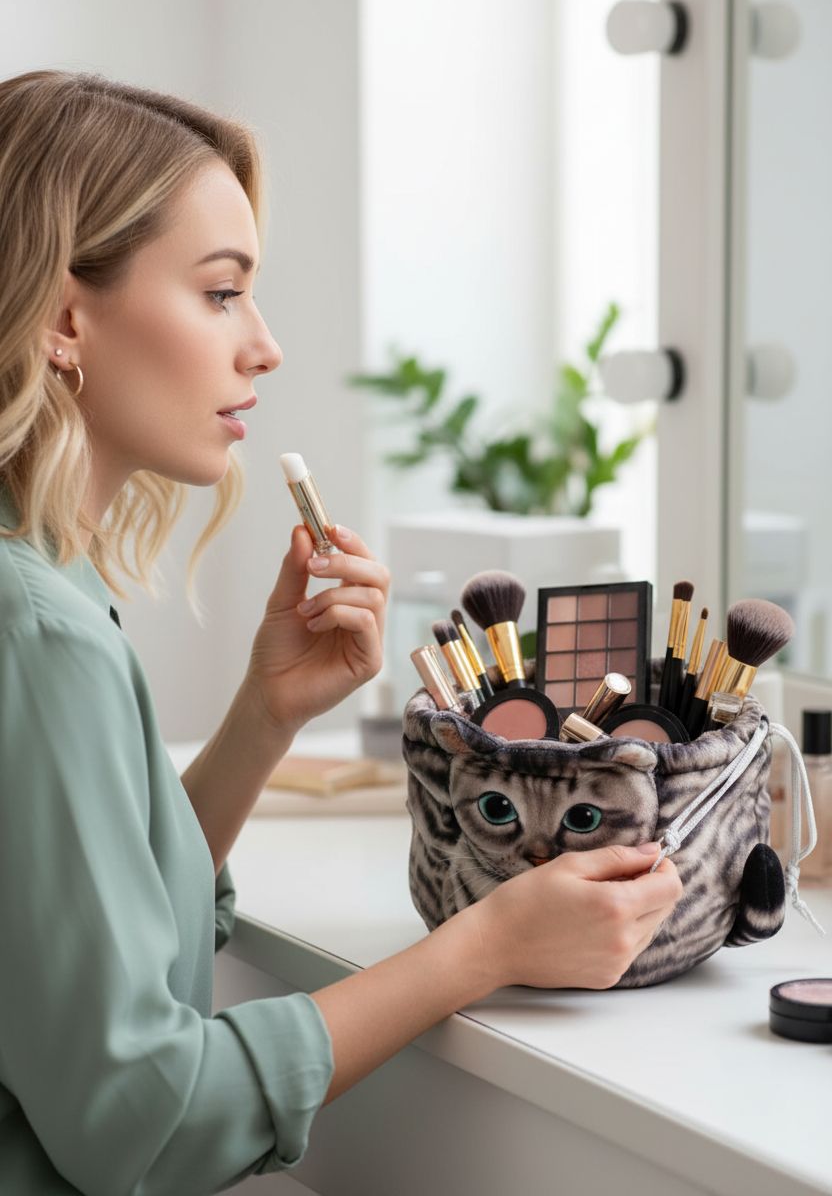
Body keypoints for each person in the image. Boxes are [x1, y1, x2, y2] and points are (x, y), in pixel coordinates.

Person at [0, 69, 683, 1195]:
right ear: (67, 317)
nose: (263, 346)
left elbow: (86, 925)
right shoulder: (40, 634)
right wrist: (485, 948)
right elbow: (147, 1121)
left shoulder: (48, 590)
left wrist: (268, 716)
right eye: (221, 294)